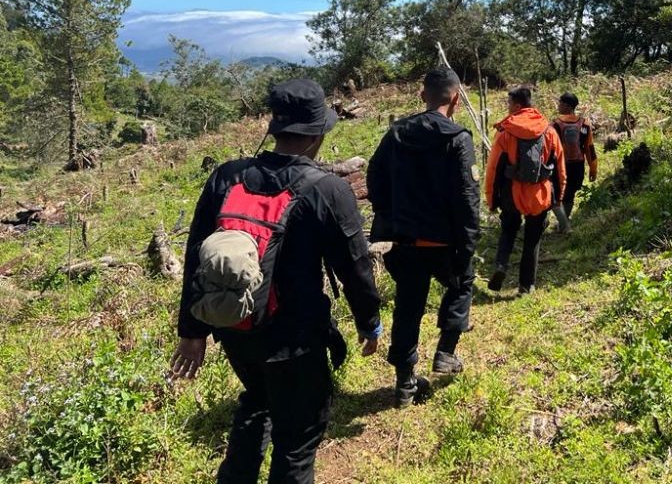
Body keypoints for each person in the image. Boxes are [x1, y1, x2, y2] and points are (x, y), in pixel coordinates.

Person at [171, 78, 382, 484]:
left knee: (256, 402)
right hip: (296, 343)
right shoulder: (329, 189)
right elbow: (355, 267)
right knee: (297, 441)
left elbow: (196, 255)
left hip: (235, 328)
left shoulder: (226, 178)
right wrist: (368, 323)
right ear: (319, 132)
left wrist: (192, 332)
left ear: (274, 127)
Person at [367, 67, 480, 408]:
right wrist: (468, 243)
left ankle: (404, 384)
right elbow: (467, 196)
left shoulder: (397, 133)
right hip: (445, 243)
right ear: (456, 99)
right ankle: (445, 352)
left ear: (422, 97)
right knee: (462, 284)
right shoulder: (458, 138)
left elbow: (374, 178)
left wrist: (390, 215)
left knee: (407, 308)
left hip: (404, 242)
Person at [484, 85, 566, 296]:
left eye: (509, 103)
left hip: (511, 193)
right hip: (540, 193)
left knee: (508, 230)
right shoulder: (549, 130)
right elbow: (559, 168)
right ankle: (526, 286)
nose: (508, 107)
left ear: (517, 105)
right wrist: (559, 197)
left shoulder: (506, 133)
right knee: (533, 238)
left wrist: (492, 200)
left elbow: (494, 169)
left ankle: (501, 265)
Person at [552, 92, 598, 219]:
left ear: (566, 106)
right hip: (577, 166)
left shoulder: (555, 125)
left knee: (556, 194)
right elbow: (590, 148)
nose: (558, 105)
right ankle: (565, 219)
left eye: (560, 103)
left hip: (560, 166)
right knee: (570, 194)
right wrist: (593, 168)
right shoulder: (584, 124)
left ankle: (561, 223)